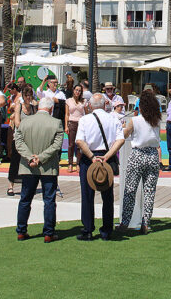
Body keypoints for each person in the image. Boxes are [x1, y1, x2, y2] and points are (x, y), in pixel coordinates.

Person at [14, 95, 64, 242]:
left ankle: (21, 231)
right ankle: (48, 232)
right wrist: (41, 158)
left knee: (25, 199)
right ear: (51, 108)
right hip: (48, 168)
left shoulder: (25, 122)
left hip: (28, 167)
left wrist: (30, 157)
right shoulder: (56, 123)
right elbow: (56, 146)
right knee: (49, 200)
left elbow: (18, 142)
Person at [75, 93, 125, 241]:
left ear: (90, 106)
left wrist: (91, 156)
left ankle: (88, 229)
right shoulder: (113, 119)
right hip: (106, 157)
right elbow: (120, 139)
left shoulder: (85, 119)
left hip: (89, 157)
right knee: (107, 196)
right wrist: (108, 156)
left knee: (87, 195)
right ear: (105, 105)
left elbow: (79, 141)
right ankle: (107, 230)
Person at [118, 90, 162, 233]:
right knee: (149, 191)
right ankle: (146, 222)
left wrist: (122, 126)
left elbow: (124, 134)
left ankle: (125, 222)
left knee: (130, 189)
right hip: (152, 155)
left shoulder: (135, 121)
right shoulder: (156, 121)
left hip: (138, 154)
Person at [8, 85, 36, 196]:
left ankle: (27, 185)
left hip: (30, 138)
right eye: (26, 96)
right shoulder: (19, 106)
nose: (28, 98)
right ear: (23, 96)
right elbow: (17, 123)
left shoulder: (34, 108)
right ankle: (10, 185)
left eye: (30, 95)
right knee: (15, 162)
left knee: (29, 162)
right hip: (19, 138)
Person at [64, 84, 87, 173]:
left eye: (79, 90)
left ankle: (78, 163)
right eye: (76, 90)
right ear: (73, 90)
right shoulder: (68, 101)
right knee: (71, 144)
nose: (77, 92)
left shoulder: (84, 101)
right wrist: (66, 126)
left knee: (79, 144)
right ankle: (70, 163)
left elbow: (87, 112)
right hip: (71, 122)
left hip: (81, 123)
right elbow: (66, 114)